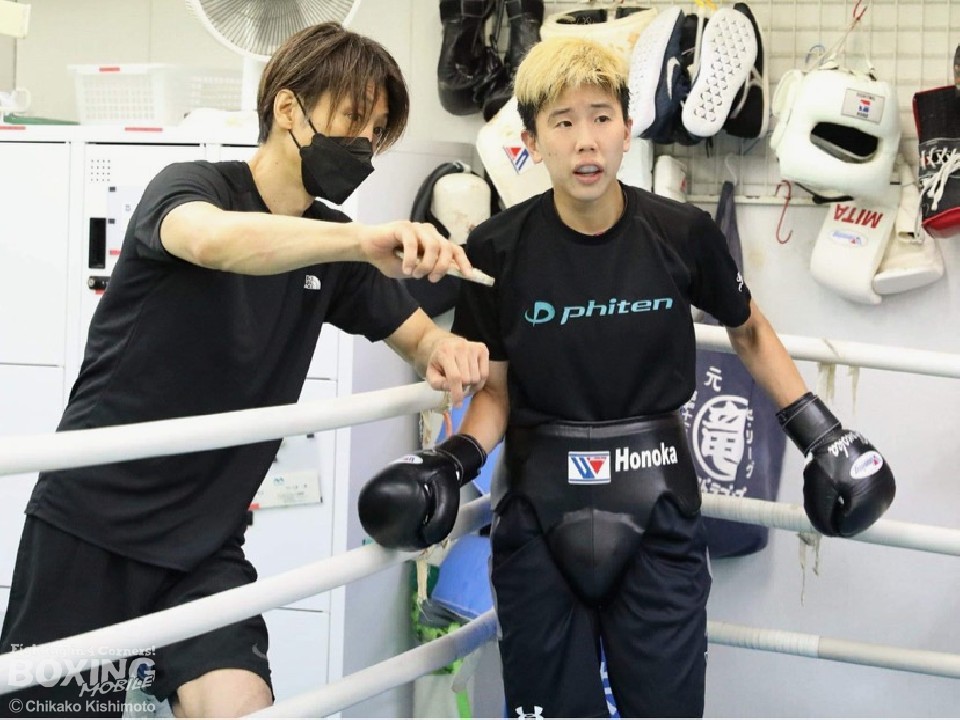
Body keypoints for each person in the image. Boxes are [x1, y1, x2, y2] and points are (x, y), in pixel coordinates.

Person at [357, 36, 895, 718]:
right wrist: (451, 462)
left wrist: (822, 435)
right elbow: (494, 389)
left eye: (601, 117)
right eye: (563, 122)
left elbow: (750, 331)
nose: (585, 140)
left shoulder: (682, 232)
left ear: (627, 127)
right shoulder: (497, 247)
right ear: (533, 141)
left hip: (658, 508)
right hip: (537, 510)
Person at [0, 22, 489, 719]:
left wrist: (451, 351)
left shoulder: (335, 247)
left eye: (378, 131)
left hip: (205, 548)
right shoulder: (192, 187)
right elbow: (213, 241)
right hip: (91, 531)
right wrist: (359, 239)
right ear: (289, 109)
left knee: (243, 705)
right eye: (353, 118)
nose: (364, 144)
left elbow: (420, 339)